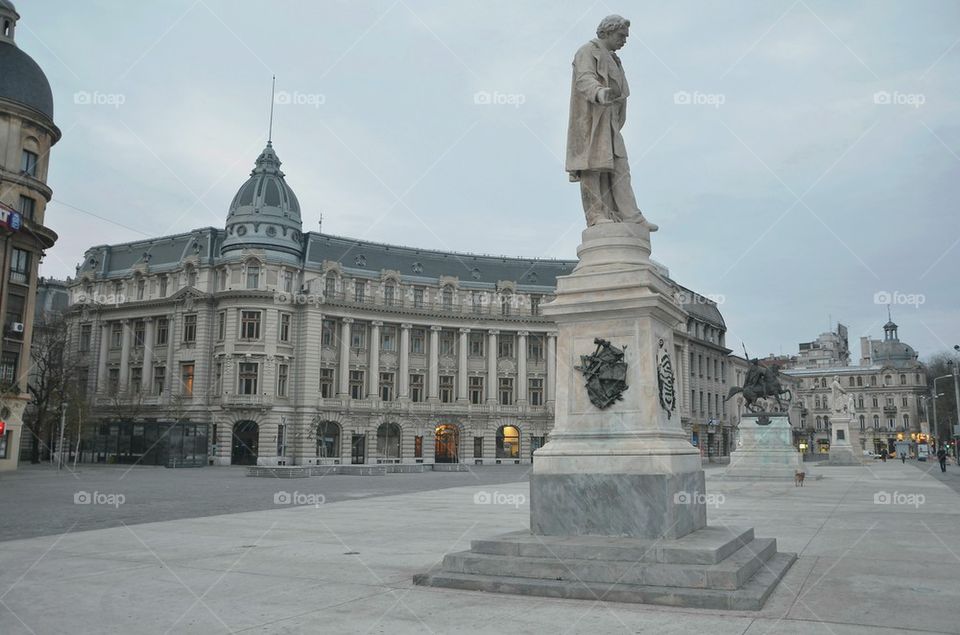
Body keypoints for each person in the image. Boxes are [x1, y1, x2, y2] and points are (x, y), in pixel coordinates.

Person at [566, 15, 657, 230]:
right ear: (606, 32)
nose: (624, 40)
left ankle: (631, 215)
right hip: (591, 119)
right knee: (592, 166)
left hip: (611, 122)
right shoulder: (587, 51)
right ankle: (596, 215)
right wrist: (599, 92)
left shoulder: (615, 59)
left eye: (626, 36)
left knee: (620, 167)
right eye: (621, 35)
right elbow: (584, 78)